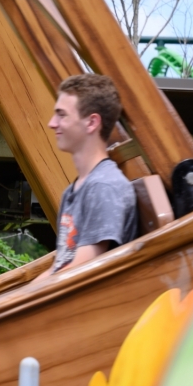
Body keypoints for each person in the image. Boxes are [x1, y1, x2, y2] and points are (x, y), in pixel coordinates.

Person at [36, 73, 138, 280]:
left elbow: (79, 272)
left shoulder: (104, 187)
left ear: (91, 123)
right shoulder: (74, 191)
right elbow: (59, 267)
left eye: (61, 115)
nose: (51, 123)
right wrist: (5, 299)